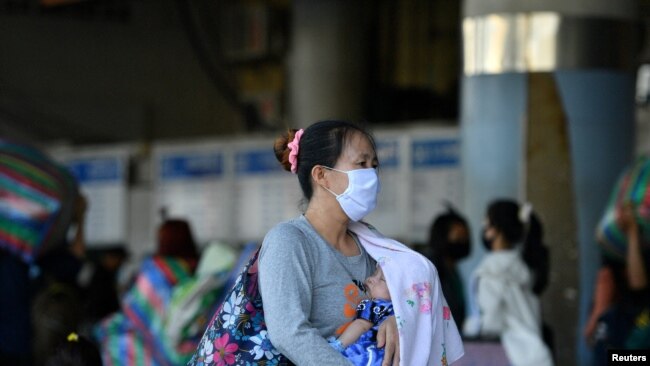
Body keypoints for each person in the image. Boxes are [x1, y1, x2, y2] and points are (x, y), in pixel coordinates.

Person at [259, 120, 464, 366]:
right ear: (322, 175)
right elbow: (288, 333)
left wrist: (397, 323)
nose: (372, 175)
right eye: (361, 164)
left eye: (374, 165)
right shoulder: (290, 241)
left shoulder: (371, 245)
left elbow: (394, 304)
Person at [463, 199, 553, 366]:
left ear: (495, 229)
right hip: (536, 353)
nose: (484, 226)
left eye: (487, 221)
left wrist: (469, 329)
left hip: (509, 356)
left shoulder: (490, 270)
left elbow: (490, 322)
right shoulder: (525, 266)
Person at [328, 265, 394, 365]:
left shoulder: (377, 305)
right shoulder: (399, 313)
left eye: (382, 280)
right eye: (374, 273)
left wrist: (338, 345)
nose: (371, 279)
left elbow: (361, 325)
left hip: (369, 356)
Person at [427, 205, 471, 329]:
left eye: (465, 237)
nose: (463, 241)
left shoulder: (453, 269)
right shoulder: (430, 267)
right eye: (458, 236)